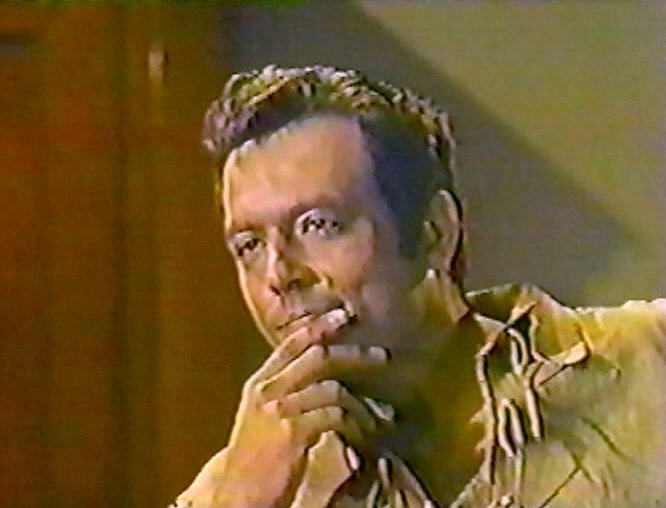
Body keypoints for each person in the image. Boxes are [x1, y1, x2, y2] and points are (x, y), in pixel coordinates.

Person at [172, 65, 666, 507]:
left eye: (319, 225)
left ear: (435, 232)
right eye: (249, 245)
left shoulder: (648, 358)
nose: (279, 275)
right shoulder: (233, 487)